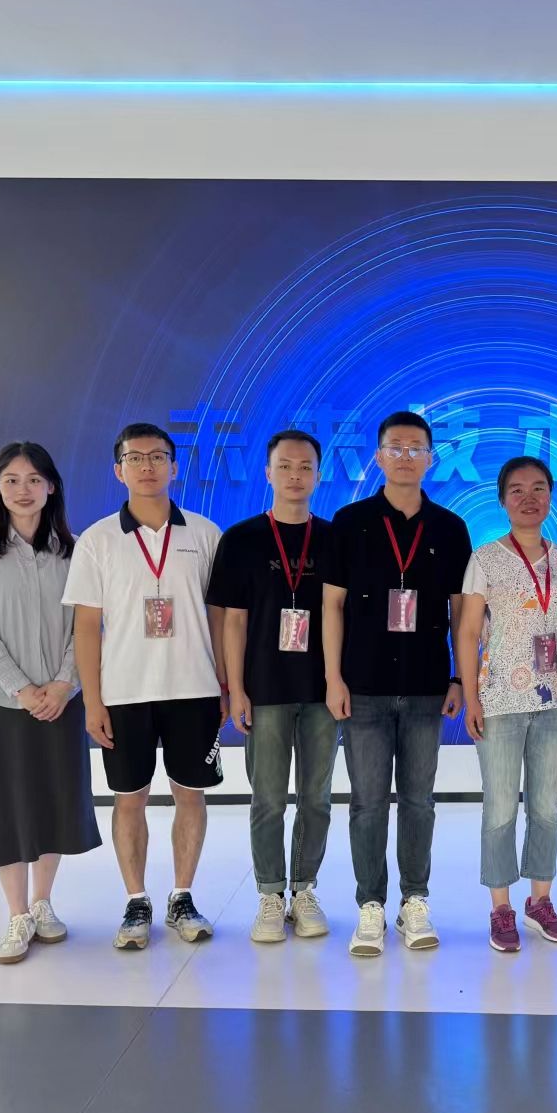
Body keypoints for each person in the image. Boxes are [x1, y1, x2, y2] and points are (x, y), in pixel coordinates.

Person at [62, 422, 226, 951]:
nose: (147, 466)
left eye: (158, 456)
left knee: (190, 795)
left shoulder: (204, 534)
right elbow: (87, 627)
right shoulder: (97, 540)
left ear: (174, 467)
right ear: (119, 470)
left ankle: (183, 896)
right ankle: (136, 900)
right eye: (135, 458)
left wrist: (226, 684)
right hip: (124, 693)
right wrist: (92, 701)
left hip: (194, 688)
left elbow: (221, 619)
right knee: (129, 799)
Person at [322, 410, 473, 957]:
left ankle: (414, 900)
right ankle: (370, 904)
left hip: (428, 685)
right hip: (362, 686)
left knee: (418, 801)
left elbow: (462, 613)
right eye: (395, 447)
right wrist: (333, 677)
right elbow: (331, 606)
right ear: (379, 456)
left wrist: (459, 677)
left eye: (416, 448)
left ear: (431, 458)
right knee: (367, 802)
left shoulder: (450, 529)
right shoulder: (350, 521)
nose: (406, 457)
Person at [0, 442, 101, 965]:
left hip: (62, 701)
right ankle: (17, 913)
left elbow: (87, 627)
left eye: (34, 479)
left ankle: (43, 901)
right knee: (6, 803)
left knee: (54, 798)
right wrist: (22, 688)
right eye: (12, 480)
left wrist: (63, 685)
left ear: (51, 487)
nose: (24, 490)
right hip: (0, 702)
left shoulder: (76, 552)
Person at [455, 457, 557, 953]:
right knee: (499, 809)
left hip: (555, 699)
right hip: (499, 700)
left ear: (551, 497)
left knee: (546, 807)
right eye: (517, 490)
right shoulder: (485, 559)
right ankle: (501, 908)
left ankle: (540, 901)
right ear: (502, 500)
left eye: (538, 489)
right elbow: (468, 632)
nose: (528, 498)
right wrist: (471, 697)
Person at [209, 429, 337, 943]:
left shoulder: (333, 539)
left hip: (321, 692)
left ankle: (303, 889)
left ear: (319, 475)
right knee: (267, 800)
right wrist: (235, 689)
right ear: (267, 473)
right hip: (263, 690)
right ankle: (269, 893)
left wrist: (340, 682)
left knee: (316, 798)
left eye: (305, 467)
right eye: (285, 466)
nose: (295, 476)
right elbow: (233, 622)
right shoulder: (241, 539)